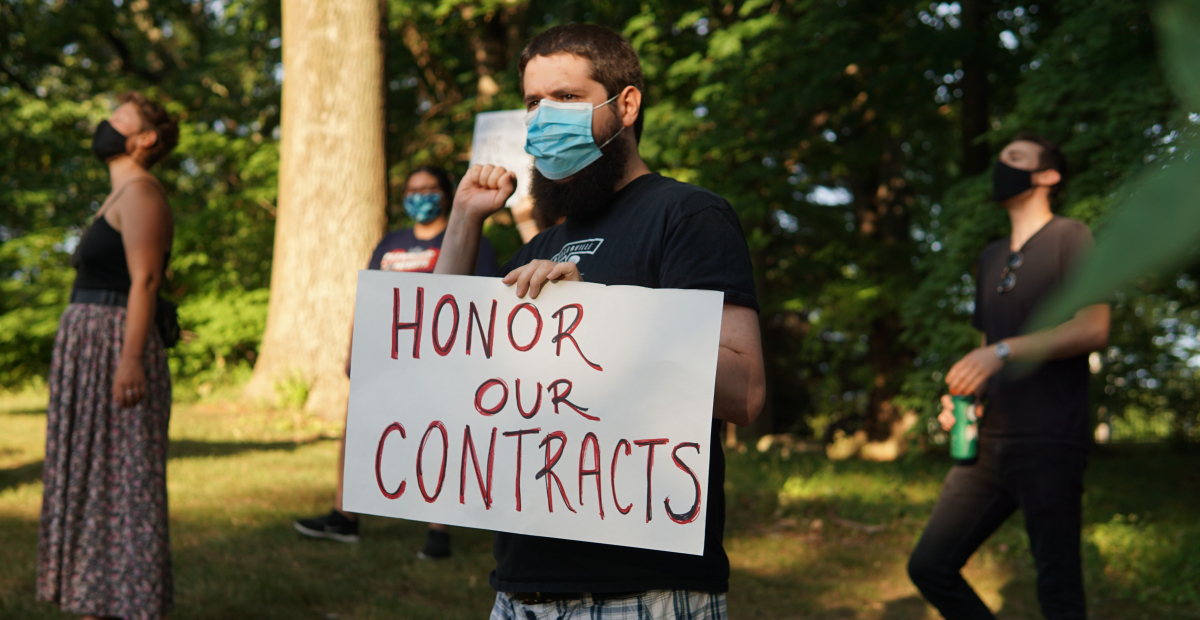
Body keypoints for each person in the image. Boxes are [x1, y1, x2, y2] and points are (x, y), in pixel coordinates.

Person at [434, 24, 765, 620]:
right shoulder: (545, 245)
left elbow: (745, 392)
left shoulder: (689, 215)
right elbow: (440, 357)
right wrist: (463, 219)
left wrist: (600, 313)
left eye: (565, 97)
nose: (543, 117)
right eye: (533, 102)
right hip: (519, 592)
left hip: (642, 590)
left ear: (627, 105)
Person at [907, 133, 1110, 620]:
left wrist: (1004, 351)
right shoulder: (991, 256)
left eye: (1016, 159)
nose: (1003, 167)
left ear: (1048, 176)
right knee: (930, 566)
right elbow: (986, 346)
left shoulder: (1072, 235)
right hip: (989, 441)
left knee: (1058, 591)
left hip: (1049, 437)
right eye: (1001, 160)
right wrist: (967, 396)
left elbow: (1094, 326)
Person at [294, 165, 497, 560]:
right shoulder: (391, 242)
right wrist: (354, 347)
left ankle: (438, 529)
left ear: (447, 192)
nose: (420, 196)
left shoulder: (467, 238)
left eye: (430, 188)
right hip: (386, 355)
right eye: (413, 189)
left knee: (440, 434)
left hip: (443, 358)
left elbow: (484, 296)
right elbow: (368, 295)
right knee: (355, 425)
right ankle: (345, 515)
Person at [37, 92, 179, 620]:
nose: (106, 122)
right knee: (94, 480)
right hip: (91, 346)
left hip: (114, 347)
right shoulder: (118, 196)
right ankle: (97, 598)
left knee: (122, 484)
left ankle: (127, 601)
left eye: (120, 117)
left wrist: (131, 359)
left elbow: (145, 279)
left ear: (144, 139)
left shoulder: (142, 191)